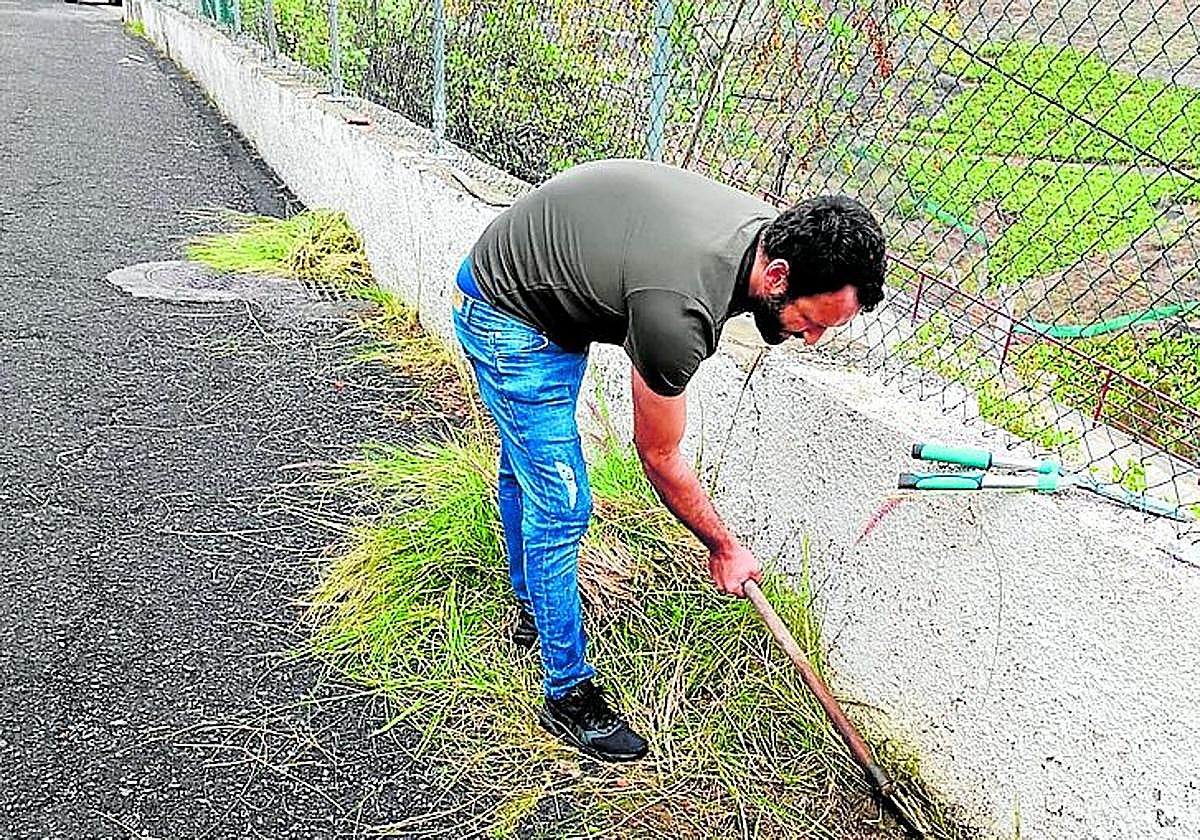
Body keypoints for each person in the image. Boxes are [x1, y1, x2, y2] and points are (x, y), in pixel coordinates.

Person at [451, 159, 886, 763]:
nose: (811, 339)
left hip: (552, 289)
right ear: (779, 275)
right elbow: (657, 455)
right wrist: (723, 545)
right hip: (509, 312)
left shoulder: (766, 237)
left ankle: (534, 608)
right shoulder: (678, 312)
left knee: (531, 468)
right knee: (563, 502)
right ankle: (567, 693)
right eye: (810, 322)